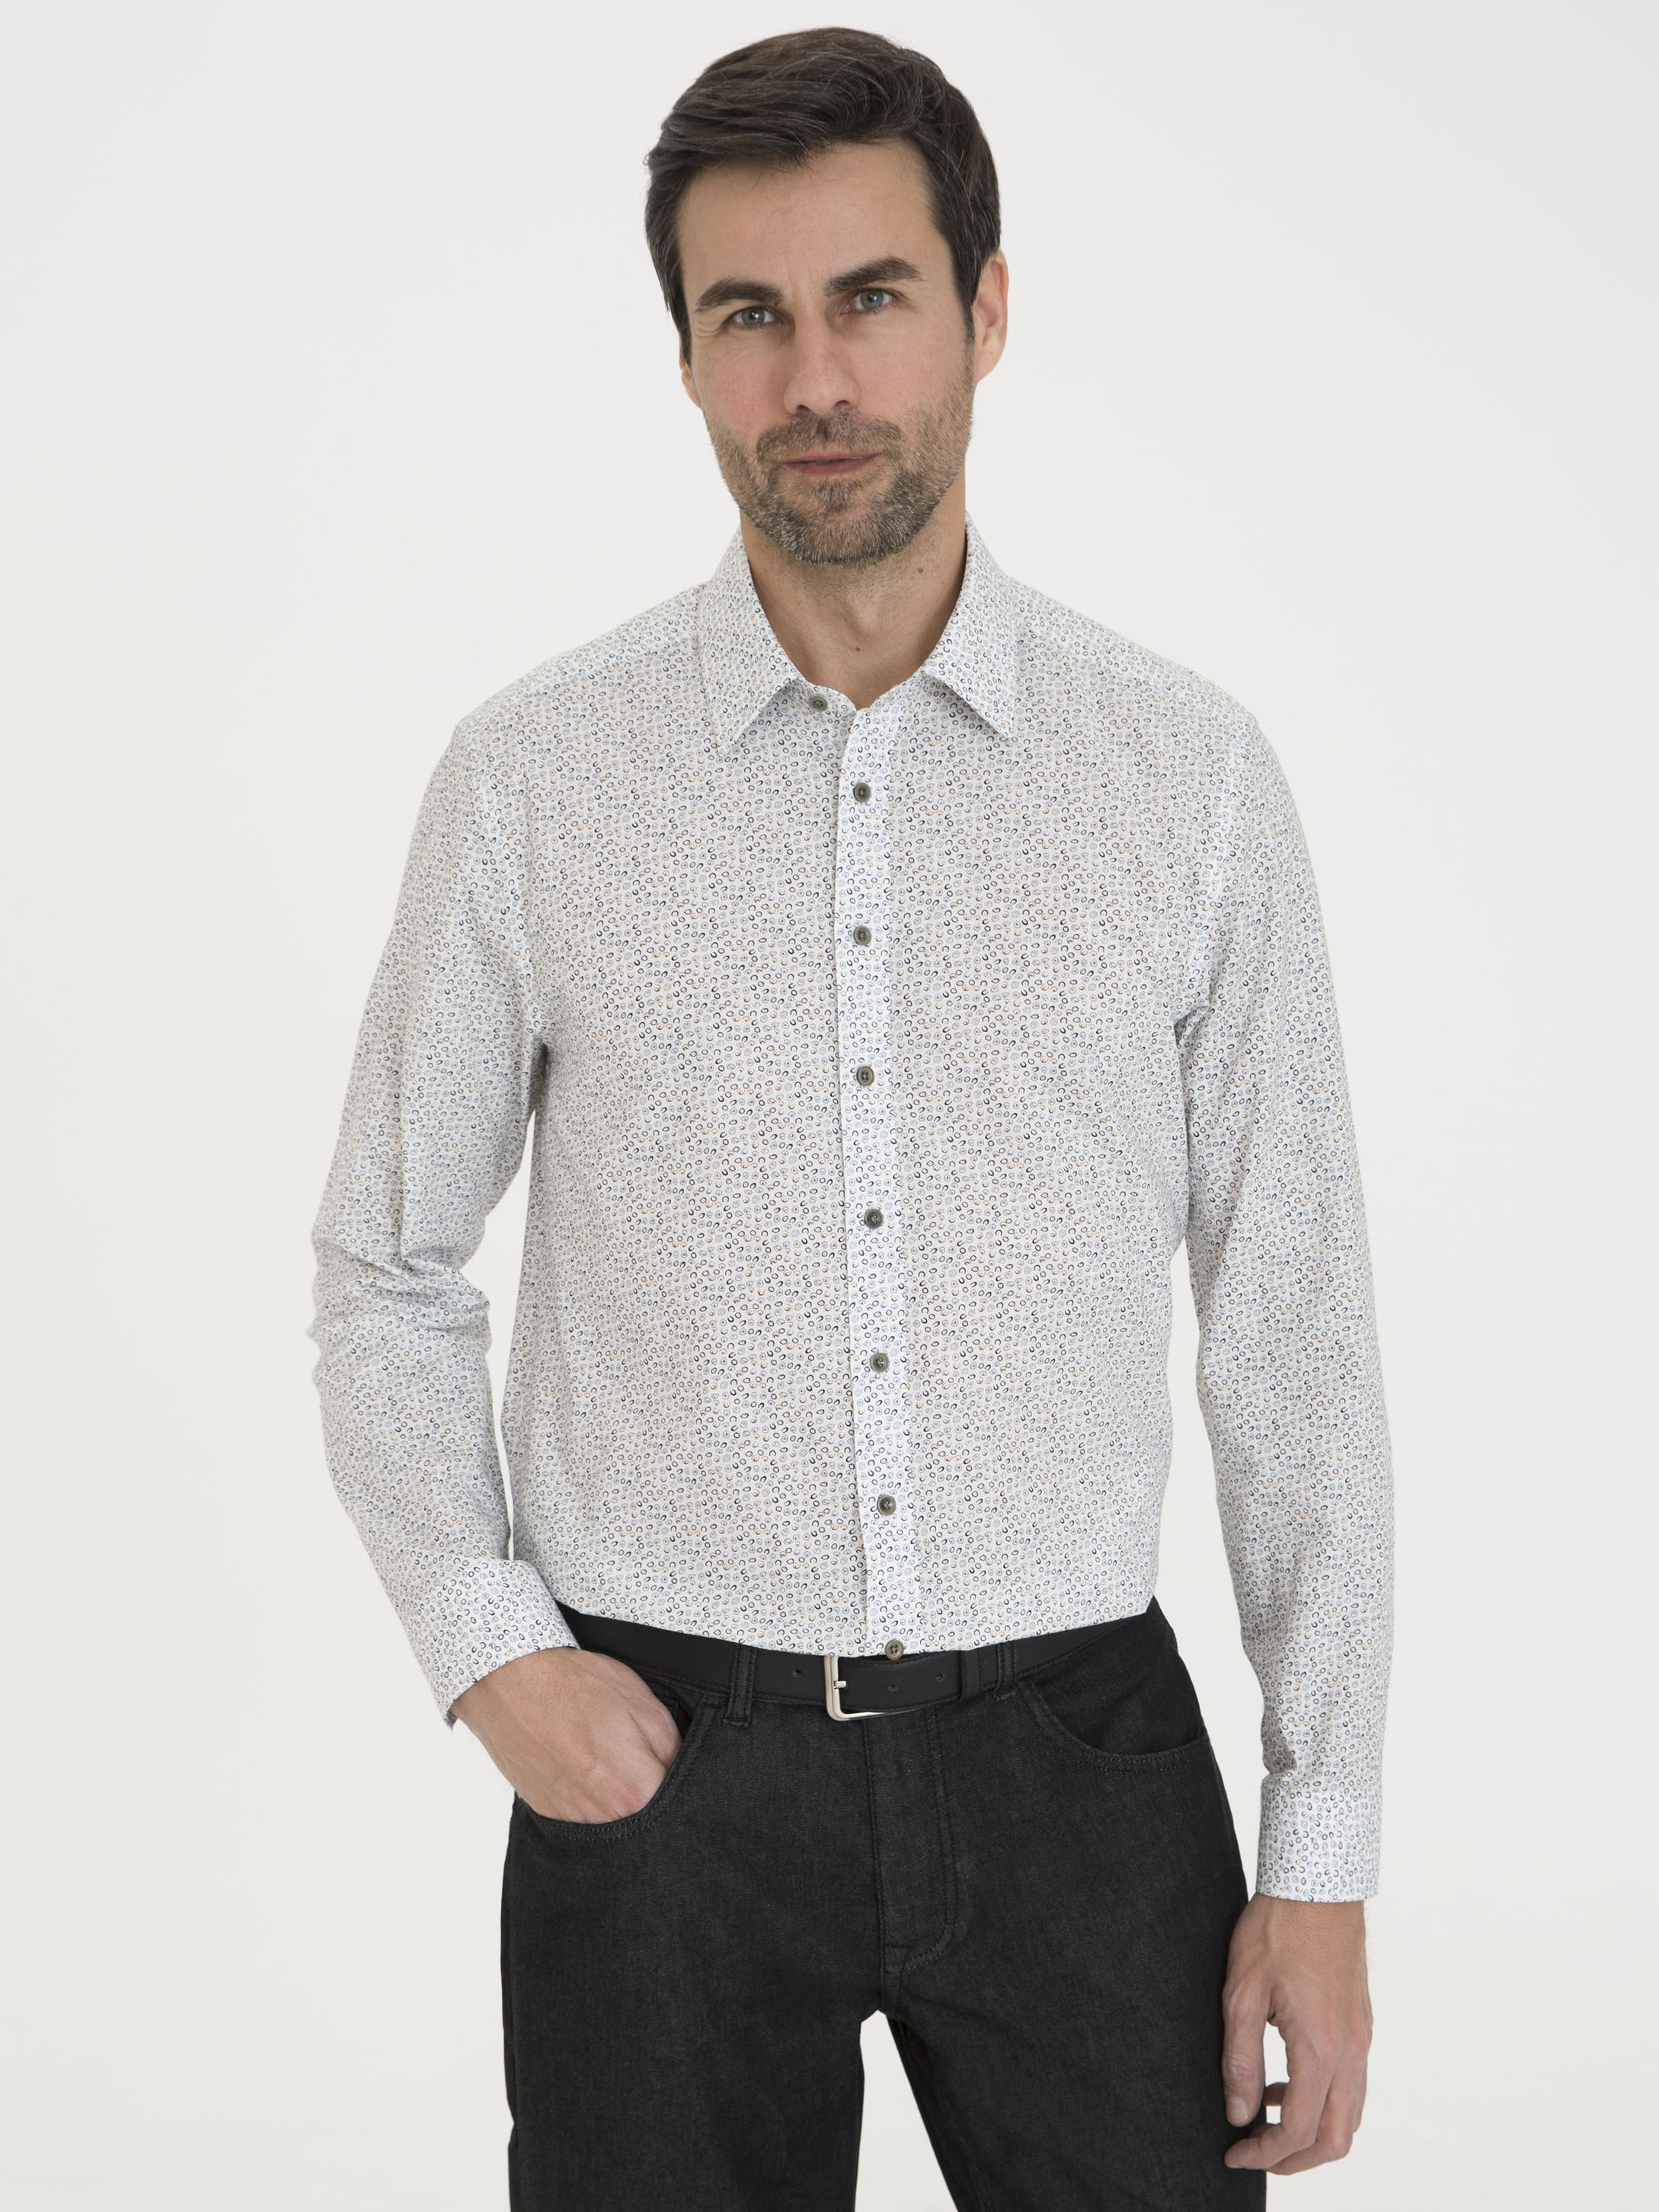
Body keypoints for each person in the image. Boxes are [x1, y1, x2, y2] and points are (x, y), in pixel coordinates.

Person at [309, 27, 1392, 2210]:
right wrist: (487, 1646)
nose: (816, 380)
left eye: (871, 298)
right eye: (750, 315)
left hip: (1083, 1765)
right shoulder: (534, 783)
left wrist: (1324, 1854)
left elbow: (1292, 1340)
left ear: (983, 310)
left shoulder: (1183, 781)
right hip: (662, 1771)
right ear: (687, 357)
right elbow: (383, 1265)